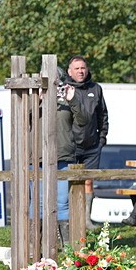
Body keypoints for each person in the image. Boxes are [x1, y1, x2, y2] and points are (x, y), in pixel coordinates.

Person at [59, 56, 108, 228]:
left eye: (83, 68)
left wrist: (102, 138)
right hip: (71, 146)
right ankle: (68, 222)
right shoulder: (64, 90)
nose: (81, 71)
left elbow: (103, 115)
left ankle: (86, 220)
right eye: (77, 68)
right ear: (69, 71)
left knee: (88, 181)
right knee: (68, 183)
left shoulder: (96, 88)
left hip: (92, 146)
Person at [52, 71, 92, 244]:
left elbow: (83, 120)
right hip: (36, 158)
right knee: (36, 205)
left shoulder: (66, 98)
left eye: (57, 80)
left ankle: (67, 245)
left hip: (63, 154)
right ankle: (34, 246)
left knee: (62, 203)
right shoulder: (33, 97)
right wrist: (37, 99)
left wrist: (72, 99)